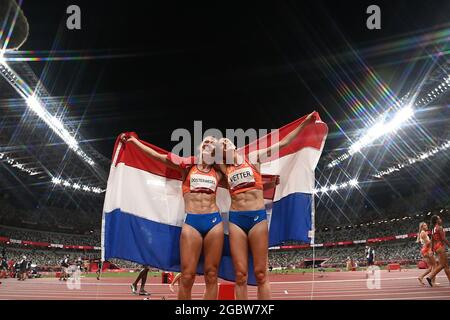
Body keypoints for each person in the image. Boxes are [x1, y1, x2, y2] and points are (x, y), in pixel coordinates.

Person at [216, 112, 316, 300]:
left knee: (261, 273)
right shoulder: (223, 168)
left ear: (233, 146)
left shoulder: (253, 157)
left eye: (226, 143)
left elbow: (284, 143)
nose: (223, 146)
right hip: (236, 220)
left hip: (257, 219)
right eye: (220, 146)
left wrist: (304, 123)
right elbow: (201, 161)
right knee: (240, 275)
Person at [122, 134, 225, 300]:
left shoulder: (219, 172)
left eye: (213, 143)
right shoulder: (187, 166)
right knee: (187, 275)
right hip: (192, 223)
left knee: (212, 274)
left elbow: (242, 179)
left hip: (214, 222)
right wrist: (135, 143)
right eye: (206, 141)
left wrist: (269, 183)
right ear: (200, 147)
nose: (209, 144)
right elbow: (158, 157)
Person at [426, 215, 450, 286]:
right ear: (436, 220)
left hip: (437, 248)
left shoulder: (433, 229)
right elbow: (443, 239)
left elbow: (432, 240)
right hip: (441, 247)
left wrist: (432, 250)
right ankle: (430, 277)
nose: (441, 219)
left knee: (446, 266)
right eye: (439, 218)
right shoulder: (439, 228)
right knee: (442, 265)